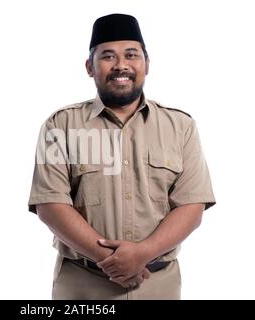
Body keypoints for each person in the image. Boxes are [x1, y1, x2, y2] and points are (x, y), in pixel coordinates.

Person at [28, 13, 216, 300]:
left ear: (146, 64)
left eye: (131, 54)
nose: (121, 66)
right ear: (89, 67)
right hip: (82, 285)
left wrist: (143, 253)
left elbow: (192, 205)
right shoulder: (59, 125)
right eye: (108, 57)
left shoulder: (181, 126)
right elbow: (50, 205)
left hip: (158, 284)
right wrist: (114, 260)